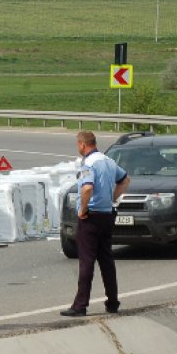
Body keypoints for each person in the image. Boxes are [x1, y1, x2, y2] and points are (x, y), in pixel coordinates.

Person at [62, 130, 130, 317]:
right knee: (107, 259)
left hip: (91, 217)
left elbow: (87, 188)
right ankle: (113, 301)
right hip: (107, 214)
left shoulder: (88, 163)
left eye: (78, 145)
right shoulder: (108, 161)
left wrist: (83, 208)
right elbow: (125, 180)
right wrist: (111, 198)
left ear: (82, 145)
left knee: (87, 261)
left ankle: (80, 305)